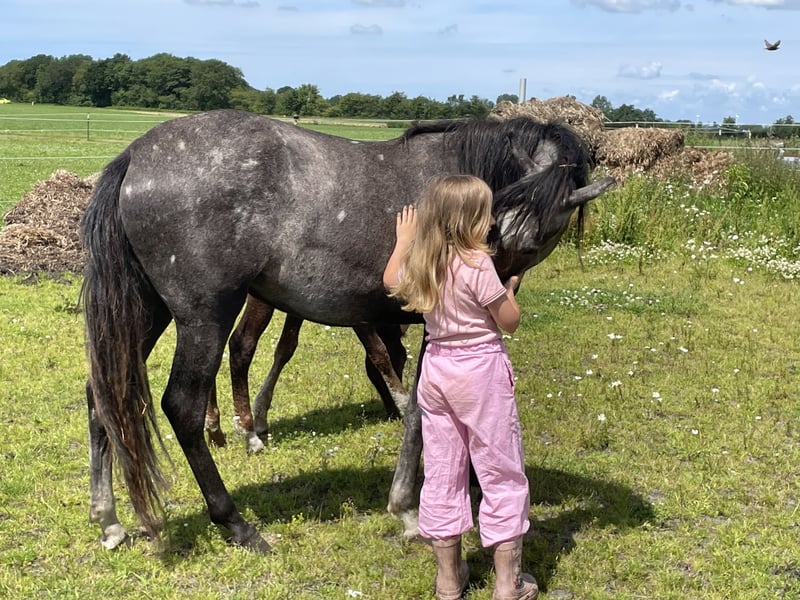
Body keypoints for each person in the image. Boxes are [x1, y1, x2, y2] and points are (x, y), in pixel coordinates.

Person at [383, 174, 538, 600]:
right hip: (480, 372)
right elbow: (508, 322)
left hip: (436, 371)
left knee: (442, 470)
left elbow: (390, 279)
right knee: (501, 469)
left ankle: (448, 581)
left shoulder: (424, 261)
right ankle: (508, 584)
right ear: (470, 219)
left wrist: (403, 240)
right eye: (486, 213)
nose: (493, 221)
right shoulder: (477, 263)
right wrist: (509, 293)